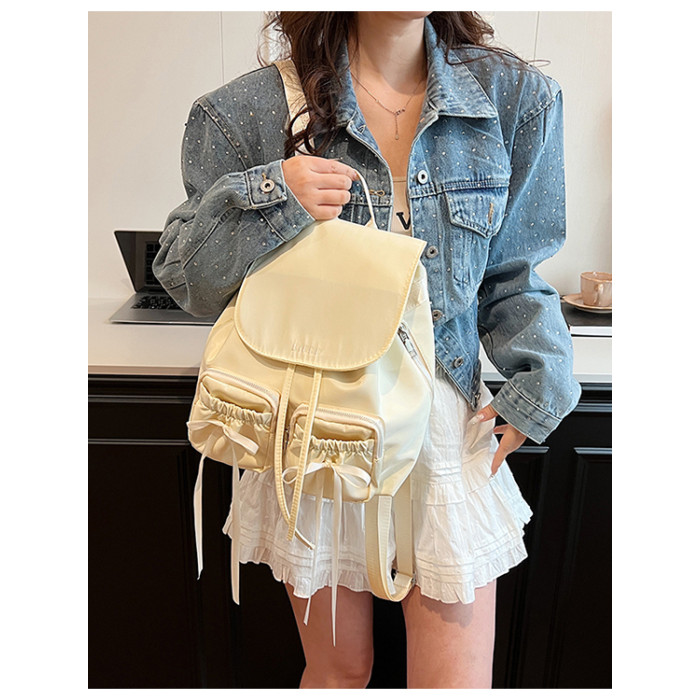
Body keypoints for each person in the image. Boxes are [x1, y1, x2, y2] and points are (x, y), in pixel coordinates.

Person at [153, 11, 581, 689]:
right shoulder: (249, 110)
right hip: (316, 420)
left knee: (455, 684)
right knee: (338, 673)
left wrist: (540, 382)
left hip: (447, 427)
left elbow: (514, 270)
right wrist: (274, 194)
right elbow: (186, 278)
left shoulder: (514, 99)